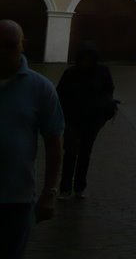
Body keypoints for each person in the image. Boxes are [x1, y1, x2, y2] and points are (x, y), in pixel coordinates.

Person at [0, 20, 64, 259]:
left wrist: (50, 192)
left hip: (16, 197)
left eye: (10, 44)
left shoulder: (40, 88)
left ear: (22, 45)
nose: (2, 50)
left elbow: (54, 142)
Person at [56, 43, 115, 199]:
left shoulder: (102, 72)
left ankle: (79, 187)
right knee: (70, 152)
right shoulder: (71, 73)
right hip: (72, 120)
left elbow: (109, 91)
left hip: (93, 121)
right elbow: (59, 95)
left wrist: (104, 109)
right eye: (83, 59)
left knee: (84, 153)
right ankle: (65, 188)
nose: (86, 62)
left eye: (89, 59)